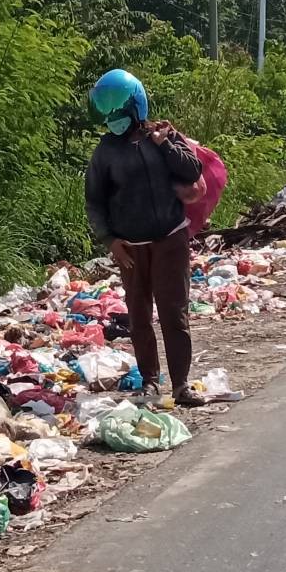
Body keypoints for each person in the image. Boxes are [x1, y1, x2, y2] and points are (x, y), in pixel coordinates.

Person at [84, 68, 202, 407]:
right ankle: (150, 383)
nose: (114, 119)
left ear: (137, 107)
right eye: (109, 114)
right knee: (139, 316)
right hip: (131, 247)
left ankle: (181, 385)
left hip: (170, 239)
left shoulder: (162, 136)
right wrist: (109, 240)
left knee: (173, 313)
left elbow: (191, 170)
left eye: (120, 112)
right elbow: (94, 200)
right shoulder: (106, 152)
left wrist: (165, 145)